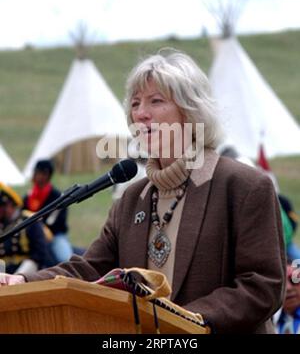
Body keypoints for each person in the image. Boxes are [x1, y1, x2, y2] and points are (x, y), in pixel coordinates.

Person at [0, 49, 286, 333]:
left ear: (191, 111)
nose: (141, 113)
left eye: (155, 101)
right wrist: (25, 282)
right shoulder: (131, 199)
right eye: (135, 104)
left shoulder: (243, 187)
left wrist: (190, 319)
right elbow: (89, 269)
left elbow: (263, 285)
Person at [23, 159, 73, 264]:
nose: (35, 175)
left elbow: (58, 221)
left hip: (54, 236)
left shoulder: (57, 196)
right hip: (31, 236)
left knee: (66, 259)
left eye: (38, 172)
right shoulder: (28, 197)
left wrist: (42, 231)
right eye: (35, 172)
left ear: (46, 175)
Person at [0, 182, 48, 274]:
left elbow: (39, 253)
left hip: (26, 268)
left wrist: (20, 275)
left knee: (62, 256)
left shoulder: (29, 220)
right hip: (3, 270)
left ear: (11, 204)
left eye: (2, 207)